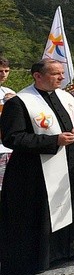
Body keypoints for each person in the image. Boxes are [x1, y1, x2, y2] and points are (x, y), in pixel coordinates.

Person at [0, 59, 74, 275]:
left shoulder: (67, 97)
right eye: (55, 74)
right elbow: (13, 138)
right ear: (37, 76)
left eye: (61, 73)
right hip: (34, 170)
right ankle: (42, 257)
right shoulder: (20, 102)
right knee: (39, 214)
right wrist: (54, 141)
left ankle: (67, 249)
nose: (61, 77)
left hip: (69, 162)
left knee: (69, 205)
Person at [0, 57, 16, 190]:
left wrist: (17, 102)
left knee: (7, 188)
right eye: (0, 71)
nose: (3, 74)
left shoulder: (9, 93)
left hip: (7, 148)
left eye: (6, 71)